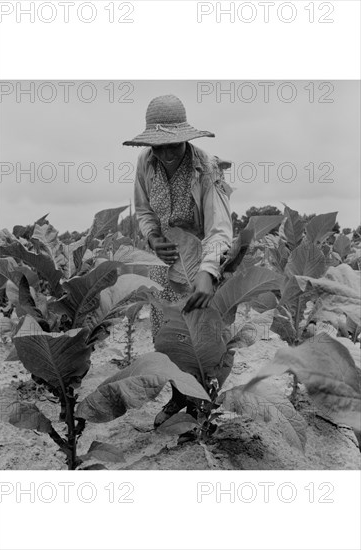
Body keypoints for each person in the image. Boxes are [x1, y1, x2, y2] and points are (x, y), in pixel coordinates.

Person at [123, 94, 233, 429]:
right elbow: (143, 211)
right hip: (165, 265)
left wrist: (208, 271)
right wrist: (153, 238)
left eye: (175, 145)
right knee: (169, 335)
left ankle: (204, 403)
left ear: (186, 138)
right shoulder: (146, 163)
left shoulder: (205, 168)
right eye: (160, 146)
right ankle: (179, 395)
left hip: (202, 265)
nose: (168, 153)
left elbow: (220, 228)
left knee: (205, 337)